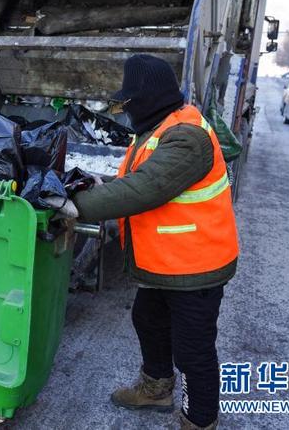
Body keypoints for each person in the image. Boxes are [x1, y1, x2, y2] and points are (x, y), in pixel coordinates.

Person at [72, 54, 239, 430]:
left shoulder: (187, 136)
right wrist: (100, 186)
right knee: (147, 318)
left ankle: (199, 419)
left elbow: (147, 188)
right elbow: (138, 179)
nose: (127, 109)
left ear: (149, 98)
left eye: (130, 101)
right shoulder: (159, 127)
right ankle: (157, 390)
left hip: (197, 267)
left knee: (193, 351)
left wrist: (74, 206)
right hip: (170, 262)